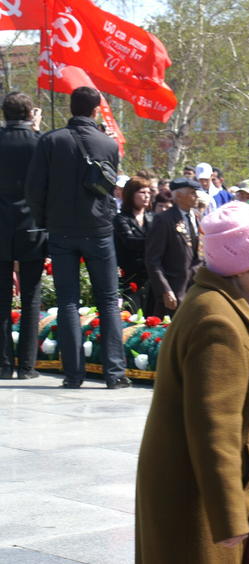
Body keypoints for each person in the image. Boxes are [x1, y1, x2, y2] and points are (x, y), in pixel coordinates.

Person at [136, 202, 249, 563]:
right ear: (244, 267)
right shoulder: (216, 321)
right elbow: (215, 427)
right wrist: (230, 517)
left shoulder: (223, 305)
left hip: (204, 496)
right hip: (200, 507)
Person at [25, 86, 129, 389]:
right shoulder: (108, 144)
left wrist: (44, 220)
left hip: (61, 229)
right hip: (98, 229)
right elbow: (109, 186)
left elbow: (34, 187)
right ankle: (115, 373)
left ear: (71, 107)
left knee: (68, 301)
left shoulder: (51, 140)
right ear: (96, 110)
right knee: (108, 300)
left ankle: (73, 374)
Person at [0, 92, 45, 380]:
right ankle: (27, 365)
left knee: (1, 298)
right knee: (30, 297)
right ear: (30, 114)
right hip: (32, 226)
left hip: (1, 225)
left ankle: (4, 364)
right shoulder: (39, 142)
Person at [145, 178, 202, 317]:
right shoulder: (164, 220)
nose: (196, 196)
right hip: (174, 291)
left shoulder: (197, 217)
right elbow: (153, 259)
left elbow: (200, 252)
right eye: (192, 193)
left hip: (195, 289)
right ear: (179, 196)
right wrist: (165, 289)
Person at [113, 176, 154, 312]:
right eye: (142, 192)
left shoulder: (152, 217)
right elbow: (130, 242)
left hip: (150, 276)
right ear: (131, 195)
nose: (146, 196)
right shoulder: (121, 219)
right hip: (130, 277)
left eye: (148, 192)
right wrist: (156, 241)